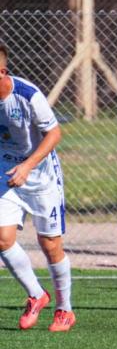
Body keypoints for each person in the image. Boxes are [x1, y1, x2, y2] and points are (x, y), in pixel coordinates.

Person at [0, 44, 74, 332]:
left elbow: (54, 134)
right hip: (5, 172)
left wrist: (28, 166)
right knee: (2, 238)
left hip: (41, 174)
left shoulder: (27, 95)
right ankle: (36, 294)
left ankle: (64, 310)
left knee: (50, 244)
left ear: (2, 72)